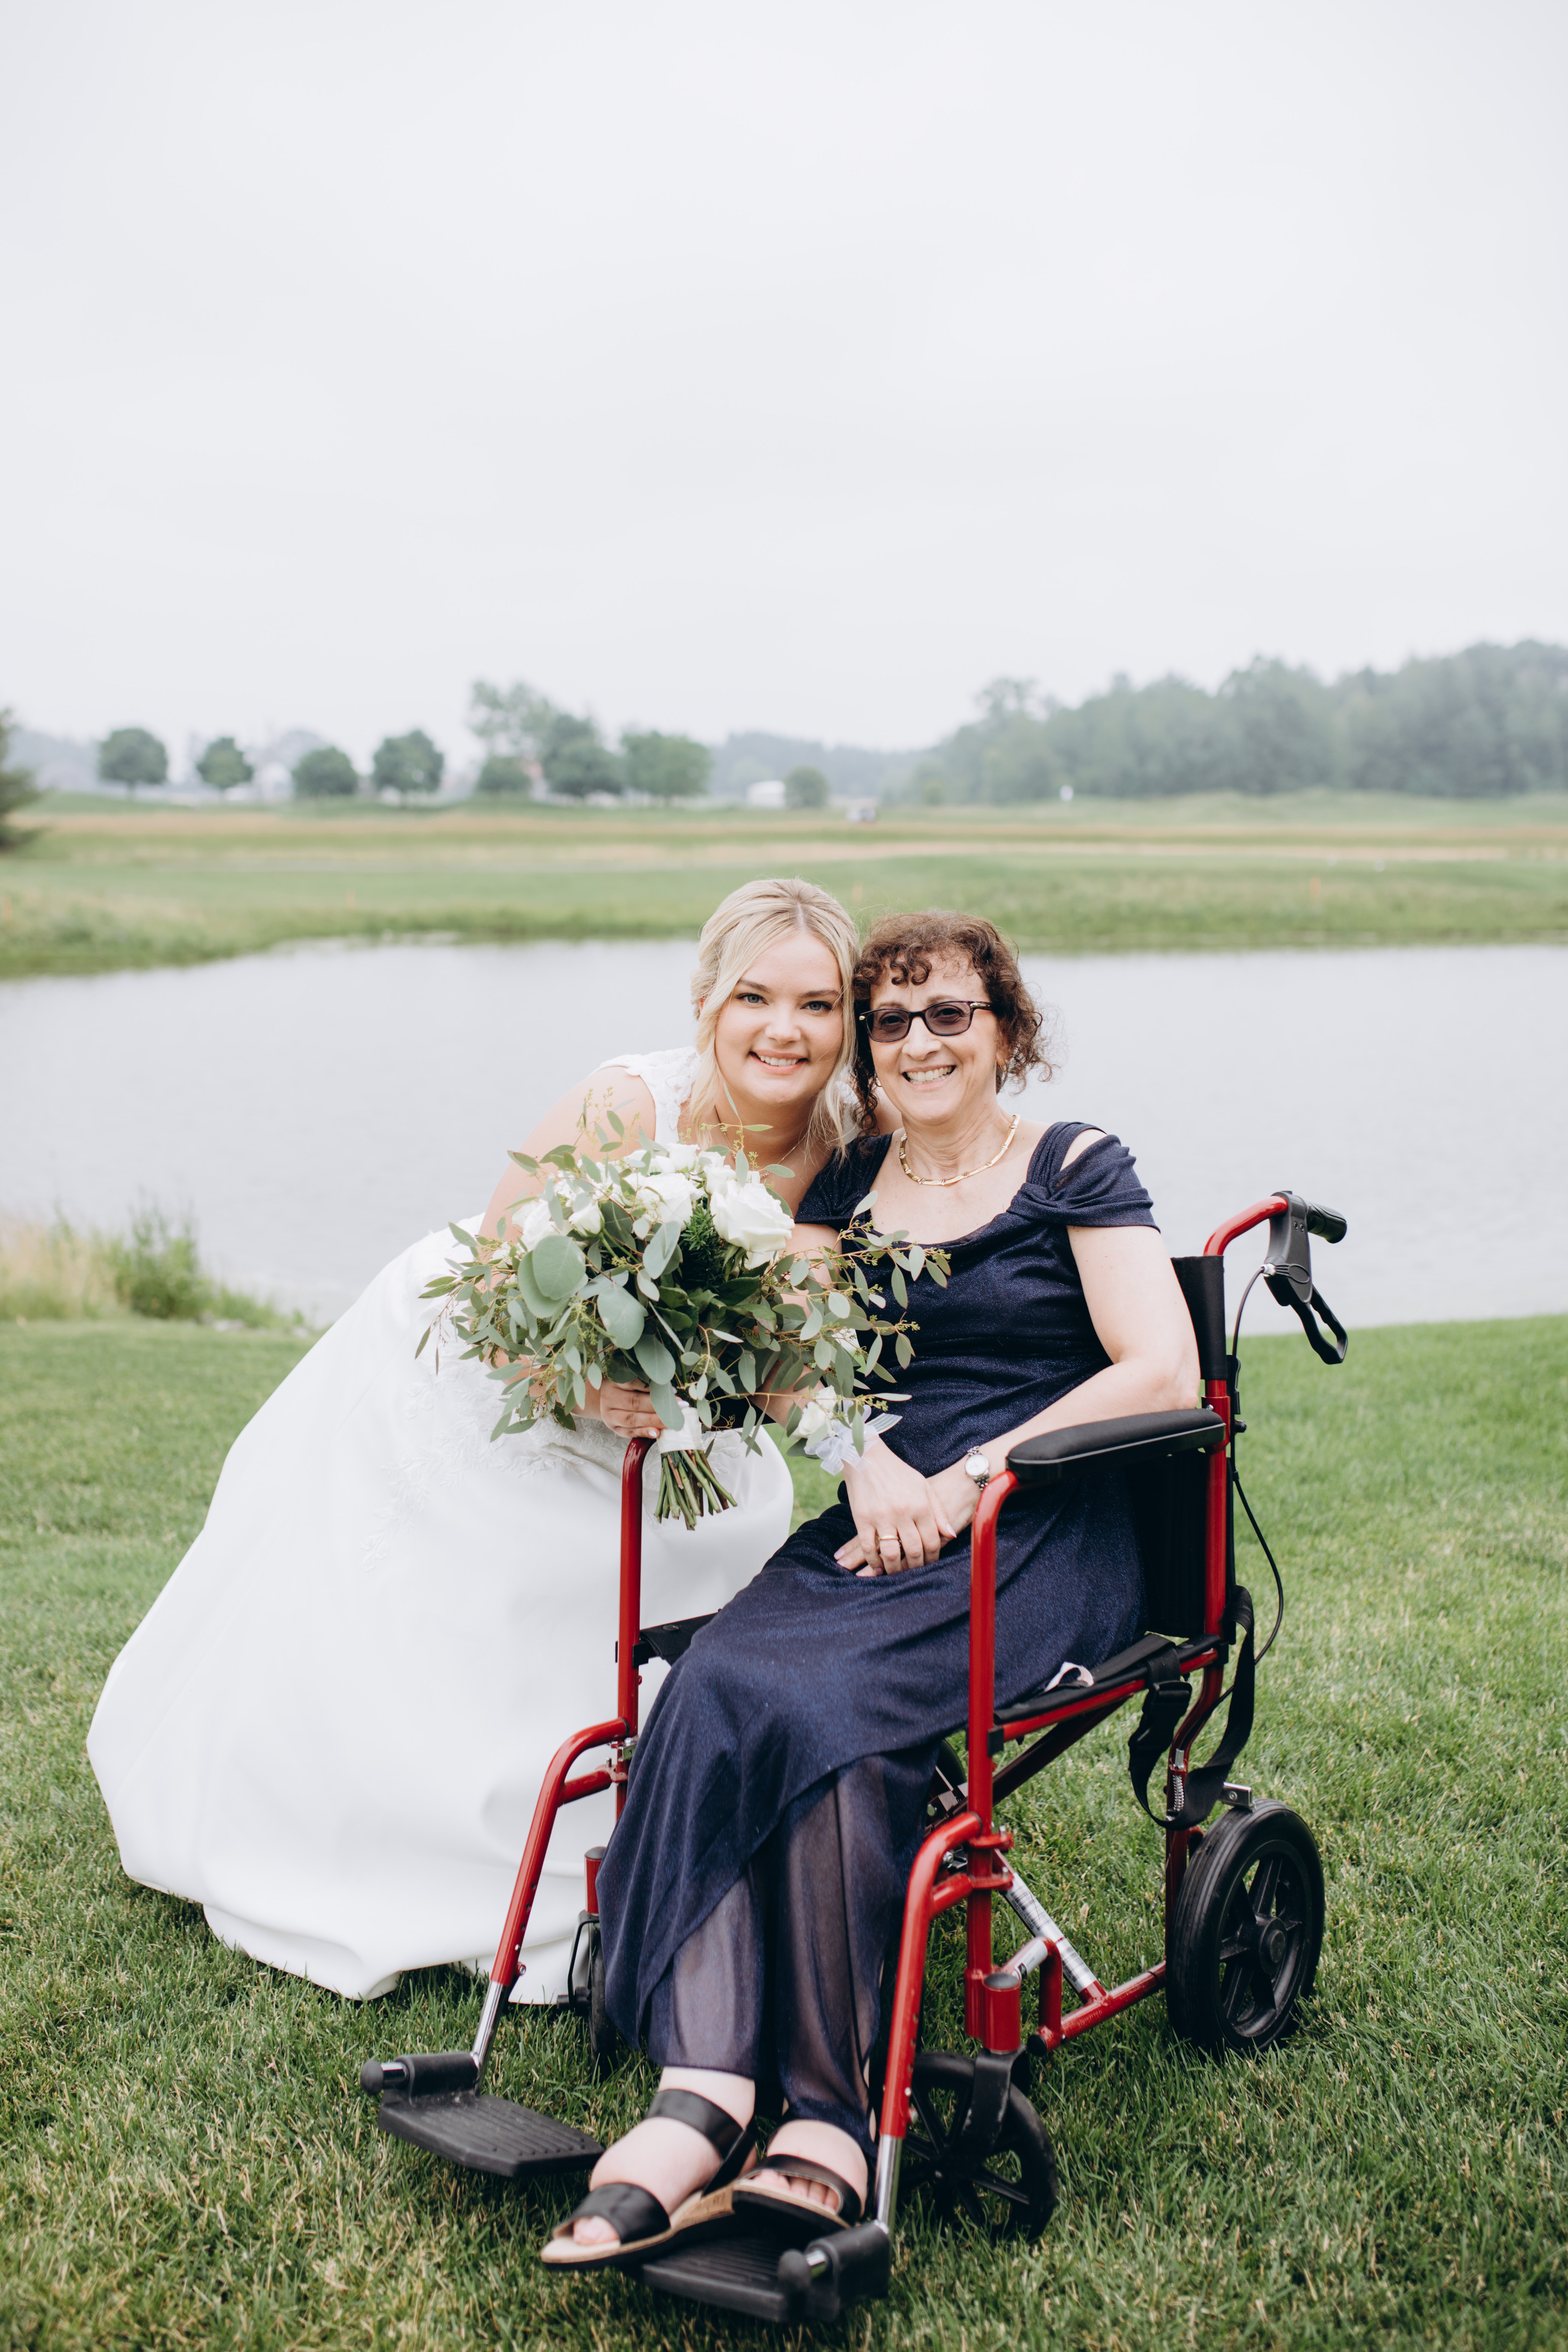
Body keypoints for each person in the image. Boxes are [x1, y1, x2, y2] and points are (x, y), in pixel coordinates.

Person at [544, 908, 1199, 2268]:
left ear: (1005, 1031)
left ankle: (832, 2117)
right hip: (879, 1518)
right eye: (890, 1019)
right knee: (721, 1675)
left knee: (833, 1711)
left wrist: (964, 1480)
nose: (916, 1041)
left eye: (947, 1013)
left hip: (1039, 1524)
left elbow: (1159, 1369)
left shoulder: (1074, 1164)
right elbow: (797, 1363)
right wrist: (872, 1463)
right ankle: (704, 2091)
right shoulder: (843, 1182)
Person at [87, 877, 862, 2004]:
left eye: (818, 1004)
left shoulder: (851, 1145)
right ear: (706, 998)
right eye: (755, 996)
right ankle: (410, 1841)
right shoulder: (626, 1101)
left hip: (686, 1418)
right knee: (471, 1584)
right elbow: (498, 1287)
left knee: (706, 1560)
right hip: (500, 1371)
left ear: (848, 1019)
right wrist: (590, 1387)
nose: (784, 1029)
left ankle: (660, 1821)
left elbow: (795, 1347)